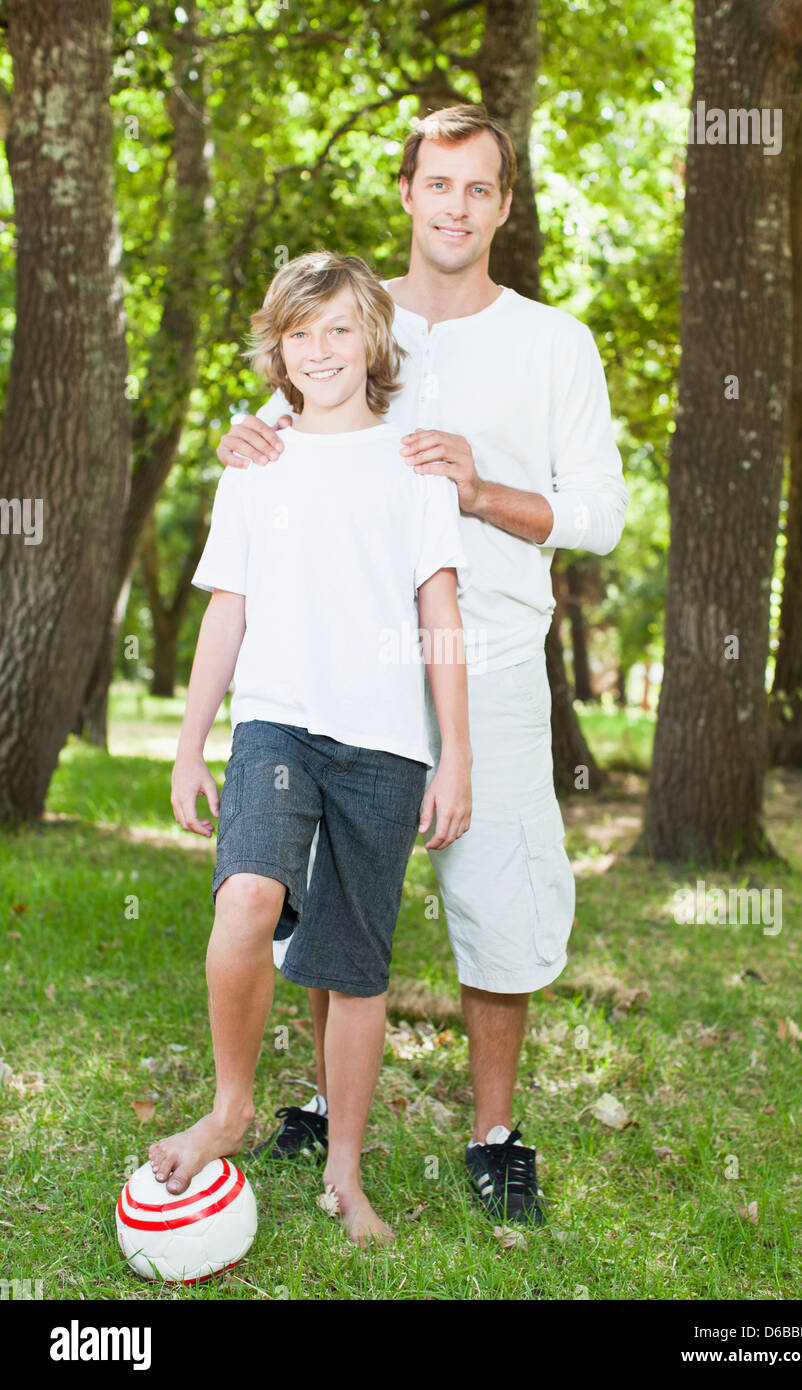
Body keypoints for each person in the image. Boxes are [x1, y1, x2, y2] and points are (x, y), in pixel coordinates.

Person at [217, 104, 629, 1226]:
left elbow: (600, 511)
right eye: (436, 184)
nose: (455, 206)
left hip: (485, 651)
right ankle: (313, 1102)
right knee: (331, 886)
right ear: (406, 192)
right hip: (347, 657)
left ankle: (493, 1134)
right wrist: (239, 437)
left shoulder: (553, 343)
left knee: (494, 889)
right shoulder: (349, 317)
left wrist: (481, 488)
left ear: (503, 204)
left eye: (478, 188)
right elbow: (280, 427)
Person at [148, 251, 472, 1246]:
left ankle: (343, 1169)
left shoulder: (413, 464)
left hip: (383, 742)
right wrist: (190, 741)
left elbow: (439, 611)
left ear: (373, 337)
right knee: (248, 894)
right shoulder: (257, 460)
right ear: (277, 350)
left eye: (338, 328)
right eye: (300, 333)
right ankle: (232, 1106)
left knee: (353, 967)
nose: (320, 348)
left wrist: (454, 752)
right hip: (276, 720)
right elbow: (227, 606)